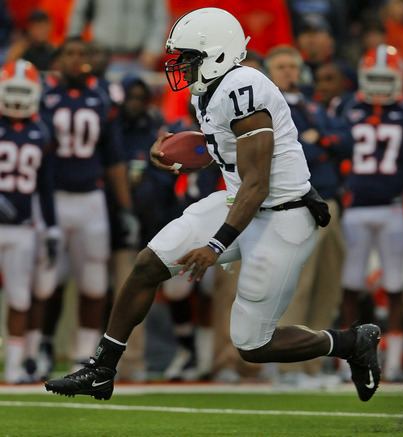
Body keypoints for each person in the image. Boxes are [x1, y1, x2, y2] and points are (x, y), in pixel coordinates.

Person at [45, 7, 381, 402]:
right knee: (148, 264)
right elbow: (227, 151)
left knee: (253, 345)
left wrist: (215, 245)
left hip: (282, 214)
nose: (180, 67)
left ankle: (351, 343)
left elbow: (258, 182)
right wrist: (183, 152)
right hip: (240, 200)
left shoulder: (244, 87)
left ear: (216, 53)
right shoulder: (211, 89)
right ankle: (102, 368)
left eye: (187, 57)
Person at [30, 37, 138, 377]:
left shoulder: (101, 100)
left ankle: (82, 355)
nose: (77, 60)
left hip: (91, 199)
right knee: (46, 282)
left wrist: (125, 208)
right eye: (70, 54)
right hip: (53, 199)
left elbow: (114, 160)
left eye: (82, 54)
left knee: (93, 283)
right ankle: (40, 348)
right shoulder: (42, 98)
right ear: (58, 60)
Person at [337, 44, 403, 382]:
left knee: (393, 285)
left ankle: (392, 364)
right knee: (350, 285)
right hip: (356, 207)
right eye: (373, 77)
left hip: (392, 208)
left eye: (385, 77)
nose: (379, 84)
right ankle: (346, 362)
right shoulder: (347, 105)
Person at [265, 45, 351, 387]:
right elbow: (296, 150)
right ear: (270, 72)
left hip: (330, 200)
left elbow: (346, 141)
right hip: (298, 202)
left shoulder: (312, 105)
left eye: (292, 65)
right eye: (281, 66)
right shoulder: (270, 105)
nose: (288, 71)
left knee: (327, 285)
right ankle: (288, 367)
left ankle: (313, 365)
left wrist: (323, 141)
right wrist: (322, 144)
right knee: (297, 286)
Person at [0, 59, 57, 383]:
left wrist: (51, 227)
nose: (18, 98)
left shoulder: (41, 131)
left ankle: (13, 367)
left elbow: (46, 186)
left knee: (20, 297)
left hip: (22, 228)